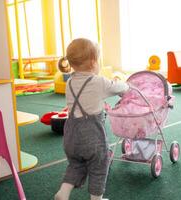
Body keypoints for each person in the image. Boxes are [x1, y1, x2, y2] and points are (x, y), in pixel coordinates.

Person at [54, 38, 129, 200]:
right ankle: (96, 198)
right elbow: (119, 88)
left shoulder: (70, 83)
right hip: (92, 136)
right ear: (94, 62)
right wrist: (125, 86)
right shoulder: (98, 82)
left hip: (71, 135)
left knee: (76, 164)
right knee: (99, 166)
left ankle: (63, 192)